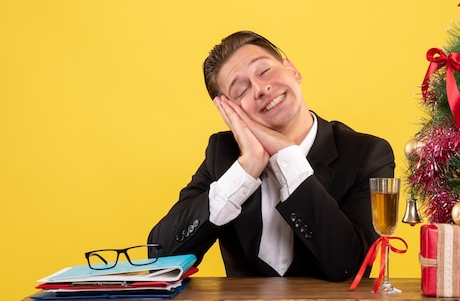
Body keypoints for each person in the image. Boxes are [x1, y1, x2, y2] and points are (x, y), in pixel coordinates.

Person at [148, 31, 395, 282]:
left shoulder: (367, 154)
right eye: (241, 89)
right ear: (230, 111)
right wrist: (245, 170)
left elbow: (350, 267)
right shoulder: (222, 153)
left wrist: (288, 157)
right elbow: (161, 260)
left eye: (264, 71)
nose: (261, 88)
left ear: (293, 71)